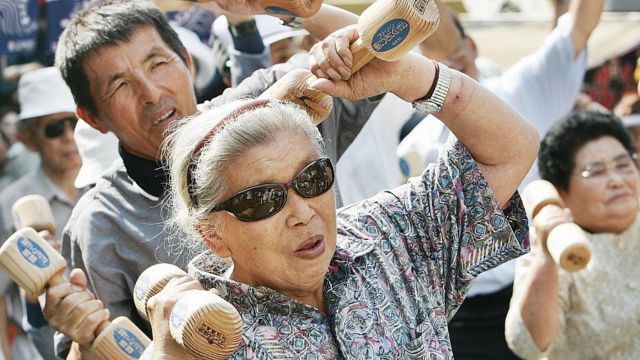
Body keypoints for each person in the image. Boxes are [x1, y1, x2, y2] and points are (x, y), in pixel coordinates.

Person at [147, 28, 539, 356]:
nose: (302, 212)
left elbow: (509, 151)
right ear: (211, 233)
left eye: (312, 178)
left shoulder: (385, 237)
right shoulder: (203, 337)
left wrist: (407, 76)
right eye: (262, 200)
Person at [46, 1, 379, 357]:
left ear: (187, 61)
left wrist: (283, 7)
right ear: (93, 118)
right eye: (120, 86)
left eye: (158, 64)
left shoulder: (274, 108)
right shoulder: (101, 226)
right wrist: (83, 340)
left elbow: (383, 54)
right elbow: (106, 347)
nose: (152, 93)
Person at [404, 1, 605, 357]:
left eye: (455, 54)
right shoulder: (415, 144)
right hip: (458, 309)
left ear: (473, 47)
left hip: (537, 285)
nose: (449, 68)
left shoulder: (525, 88)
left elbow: (579, 24)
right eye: (435, 61)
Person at [505, 110, 640, 359]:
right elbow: (527, 345)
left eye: (623, 165)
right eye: (595, 172)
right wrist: (546, 257)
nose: (616, 180)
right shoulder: (554, 243)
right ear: (561, 192)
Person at [0, 67, 83, 360]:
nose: (68, 136)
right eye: (53, 128)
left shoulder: (104, 188)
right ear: (28, 139)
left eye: (74, 122)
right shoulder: (7, 204)